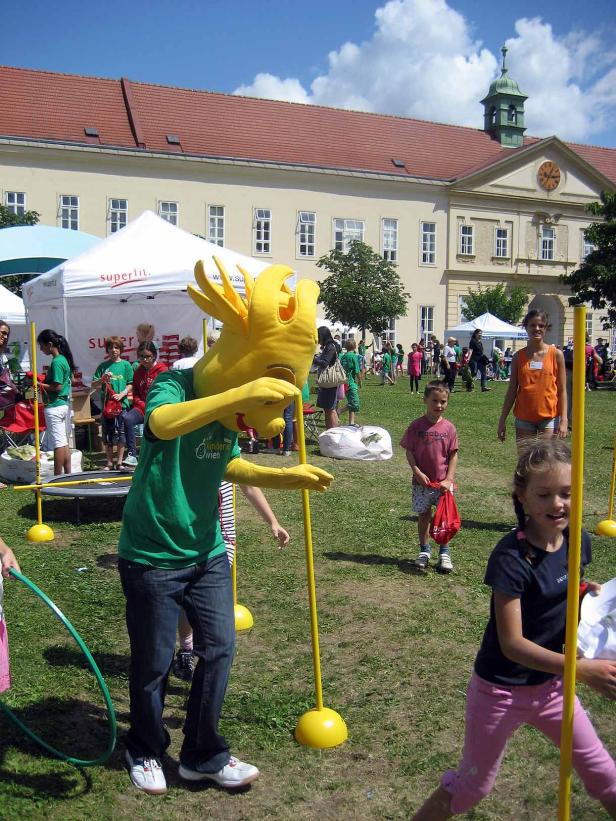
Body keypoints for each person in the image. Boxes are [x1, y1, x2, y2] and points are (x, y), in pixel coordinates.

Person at [412, 439, 616, 820]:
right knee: (473, 789)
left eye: (567, 494)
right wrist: (580, 669)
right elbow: (513, 644)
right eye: (545, 494)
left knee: (605, 773)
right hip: (499, 691)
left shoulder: (578, 542)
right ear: (522, 497)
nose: (557, 504)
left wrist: (586, 591)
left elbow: (559, 588)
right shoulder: (510, 557)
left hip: (554, 689)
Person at [173, 482, 290, 681]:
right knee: (187, 600)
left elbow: (249, 486)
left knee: (209, 610)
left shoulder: (227, 453)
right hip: (188, 540)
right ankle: (186, 649)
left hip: (221, 544)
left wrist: (273, 521)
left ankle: (207, 671)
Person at [400, 380, 458, 574]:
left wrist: (448, 479)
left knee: (444, 518)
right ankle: (424, 551)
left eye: (443, 401)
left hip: (443, 484)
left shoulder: (449, 428)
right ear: (425, 400)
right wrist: (417, 472)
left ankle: (444, 552)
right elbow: (409, 451)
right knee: (424, 516)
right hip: (422, 484)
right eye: (434, 401)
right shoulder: (416, 426)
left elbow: (453, 455)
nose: (439, 405)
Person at [497, 310, 567, 449]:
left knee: (545, 461)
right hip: (524, 418)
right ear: (526, 327)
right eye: (533, 325)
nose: (537, 329)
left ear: (546, 328)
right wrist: (502, 420)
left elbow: (562, 390)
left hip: (549, 418)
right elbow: (512, 391)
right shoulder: (518, 356)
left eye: (541, 325)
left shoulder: (556, 355)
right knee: (526, 462)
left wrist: (564, 419)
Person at [36, 329, 76, 475]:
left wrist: (39, 384)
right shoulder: (64, 360)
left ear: (50, 344)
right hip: (62, 405)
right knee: (63, 442)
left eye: (42, 346)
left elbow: (57, 387)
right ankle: (67, 474)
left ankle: (57, 476)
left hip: (54, 406)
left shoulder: (57, 362)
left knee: (58, 444)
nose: (40, 349)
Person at [91, 337, 134, 470]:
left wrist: (122, 394)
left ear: (121, 350)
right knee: (108, 434)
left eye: (116, 348)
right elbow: (93, 384)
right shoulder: (103, 366)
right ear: (107, 350)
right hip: (107, 407)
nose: (113, 350)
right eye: (111, 348)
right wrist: (102, 379)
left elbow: (130, 383)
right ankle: (109, 462)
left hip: (122, 405)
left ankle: (120, 462)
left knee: (121, 434)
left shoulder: (126, 365)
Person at [122, 342, 167, 467]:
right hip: (142, 408)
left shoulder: (162, 371)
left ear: (154, 356)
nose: (145, 360)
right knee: (127, 418)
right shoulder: (138, 372)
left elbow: (165, 392)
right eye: (141, 357)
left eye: (148, 356)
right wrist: (141, 404)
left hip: (158, 408)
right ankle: (132, 454)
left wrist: (152, 406)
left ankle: (160, 457)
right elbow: (135, 394)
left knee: (155, 429)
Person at [314, 326, 340, 429]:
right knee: (327, 408)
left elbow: (325, 363)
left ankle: (333, 432)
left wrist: (314, 360)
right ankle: (329, 431)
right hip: (326, 382)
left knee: (330, 409)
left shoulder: (330, 346)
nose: (318, 341)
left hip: (330, 381)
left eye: (319, 337)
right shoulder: (330, 346)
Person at [339, 339, 361, 425]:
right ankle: (339, 411)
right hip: (351, 383)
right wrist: (360, 381)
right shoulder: (353, 356)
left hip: (344, 383)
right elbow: (357, 371)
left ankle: (351, 423)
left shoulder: (343, 356)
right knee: (355, 403)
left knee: (351, 401)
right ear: (355, 346)